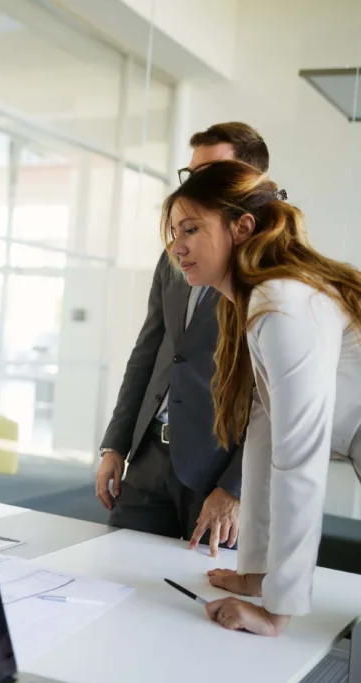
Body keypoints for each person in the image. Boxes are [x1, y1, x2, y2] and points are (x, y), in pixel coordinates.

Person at [162, 159, 361, 636]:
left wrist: (277, 611)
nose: (176, 246)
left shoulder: (285, 303)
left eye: (191, 228)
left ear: (242, 227)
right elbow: (264, 433)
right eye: (172, 232)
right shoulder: (256, 301)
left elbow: (300, 459)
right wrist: (255, 573)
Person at [95, 122, 270, 557]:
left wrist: (235, 487)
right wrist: (116, 442)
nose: (195, 184)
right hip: (150, 455)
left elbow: (274, 404)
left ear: (246, 181)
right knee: (116, 570)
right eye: (191, 174)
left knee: (203, 601)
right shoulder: (175, 253)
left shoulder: (269, 269)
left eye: (209, 172)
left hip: (218, 465)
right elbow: (150, 349)